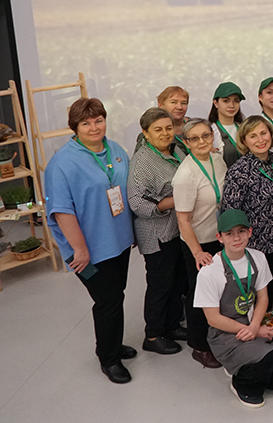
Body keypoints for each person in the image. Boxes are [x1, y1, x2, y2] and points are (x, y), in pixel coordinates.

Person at [45, 98, 135, 384]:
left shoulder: (115, 149)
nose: (94, 127)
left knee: (116, 294)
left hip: (118, 240)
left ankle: (112, 343)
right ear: (75, 127)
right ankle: (109, 359)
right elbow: (62, 211)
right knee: (107, 299)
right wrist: (79, 250)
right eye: (86, 123)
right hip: (87, 250)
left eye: (98, 120)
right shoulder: (62, 163)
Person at [194, 209, 273, 409]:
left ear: (250, 232)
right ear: (219, 237)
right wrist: (255, 331)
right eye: (229, 233)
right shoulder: (210, 272)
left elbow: (263, 298)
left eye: (241, 231)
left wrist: (255, 326)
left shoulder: (258, 258)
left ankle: (245, 363)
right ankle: (241, 384)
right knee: (269, 358)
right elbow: (213, 319)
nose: (236, 238)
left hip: (251, 325)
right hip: (225, 334)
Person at [127, 107, 189, 357]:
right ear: (145, 133)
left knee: (177, 282)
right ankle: (152, 335)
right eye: (158, 130)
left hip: (177, 229)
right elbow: (136, 202)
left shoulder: (176, 149)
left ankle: (171, 326)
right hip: (156, 233)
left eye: (168, 128)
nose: (165, 133)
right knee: (160, 285)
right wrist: (170, 202)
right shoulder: (142, 161)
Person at [174, 117, 229, 369]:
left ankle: (218, 335)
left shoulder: (217, 159)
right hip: (199, 243)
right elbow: (182, 220)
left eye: (206, 135)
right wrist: (197, 252)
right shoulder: (185, 175)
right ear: (186, 143)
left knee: (219, 292)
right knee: (200, 295)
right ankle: (200, 346)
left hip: (220, 238)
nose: (202, 142)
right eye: (194, 138)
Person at [221, 116, 273, 312]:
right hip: (257, 244)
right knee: (260, 295)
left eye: (263, 133)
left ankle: (267, 323)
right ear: (244, 141)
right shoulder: (239, 171)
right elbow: (231, 211)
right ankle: (257, 327)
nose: (260, 140)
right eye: (253, 136)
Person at [208, 82, 245, 168]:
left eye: (236, 101)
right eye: (226, 101)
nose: (231, 105)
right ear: (216, 103)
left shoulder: (244, 128)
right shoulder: (210, 132)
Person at [157, 85, 190, 150]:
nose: (179, 107)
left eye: (183, 103)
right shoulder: (151, 132)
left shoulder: (196, 127)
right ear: (160, 104)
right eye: (173, 102)